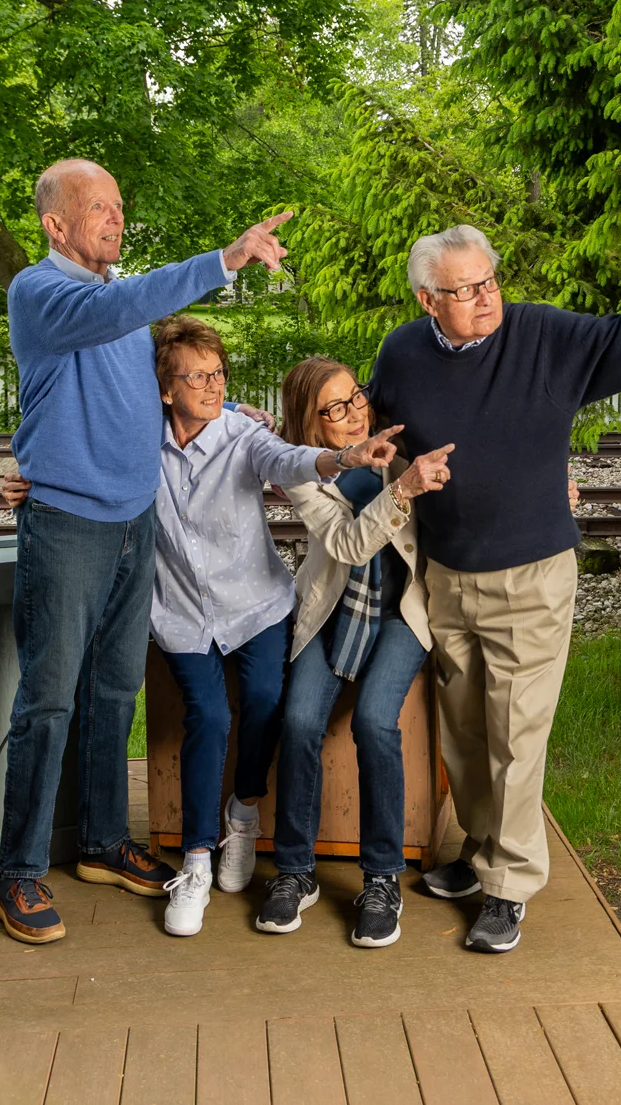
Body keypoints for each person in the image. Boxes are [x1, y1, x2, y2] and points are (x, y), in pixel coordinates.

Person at [369, 224, 621, 953]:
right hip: (447, 571)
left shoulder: (543, 336)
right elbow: (381, 432)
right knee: (464, 733)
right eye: (464, 290)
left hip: (532, 573)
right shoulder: (402, 352)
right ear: (427, 299)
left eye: (489, 281)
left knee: (516, 735)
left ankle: (510, 885)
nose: (484, 298)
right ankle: (479, 851)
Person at [0, 157, 291, 947]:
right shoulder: (42, 292)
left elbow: (154, 401)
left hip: (135, 522)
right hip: (66, 524)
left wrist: (231, 417)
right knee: (50, 698)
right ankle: (16, 873)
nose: (116, 219)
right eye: (99, 208)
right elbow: (125, 306)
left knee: (116, 690)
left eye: (120, 207)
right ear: (56, 225)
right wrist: (222, 260)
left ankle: (99, 843)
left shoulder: (120, 311)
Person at [147, 319, 401, 937]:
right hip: (183, 612)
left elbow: (286, 456)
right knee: (216, 715)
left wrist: (341, 457)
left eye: (219, 375)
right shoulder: (137, 439)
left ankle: (253, 811)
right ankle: (205, 859)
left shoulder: (244, 434)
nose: (211, 385)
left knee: (269, 700)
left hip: (260, 605)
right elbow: (80, 442)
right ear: (164, 389)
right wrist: (27, 479)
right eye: (197, 377)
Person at [253, 357, 452, 948]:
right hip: (336, 607)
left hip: (403, 609)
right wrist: (403, 493)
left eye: (355, 398)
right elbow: (345, 544)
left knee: (373, 721)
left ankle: (382, 878)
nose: (353, 413)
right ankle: (294, 871)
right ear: (310, 424)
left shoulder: (396, 433)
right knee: (298, 719)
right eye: (334, 409)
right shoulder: (304, 474)